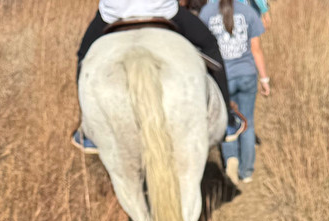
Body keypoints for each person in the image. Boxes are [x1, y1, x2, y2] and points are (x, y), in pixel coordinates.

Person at [73, 0, 245, 153]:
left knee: (83, 56)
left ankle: (88, 129)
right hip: (161, 9)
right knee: (210, 45)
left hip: (113, 13)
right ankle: (228, 120)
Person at [198, 0, 270, 184]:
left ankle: (231, 159)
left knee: (226, 120)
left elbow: (202, 49)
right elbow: (257, 50)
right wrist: (264, 79)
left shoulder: (206, 13)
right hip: (247, 75)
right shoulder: (247, 11)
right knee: (248, 122)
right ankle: (246, 171)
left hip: (222, 78)